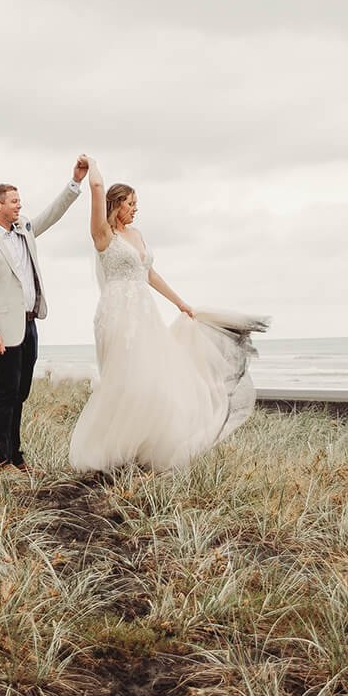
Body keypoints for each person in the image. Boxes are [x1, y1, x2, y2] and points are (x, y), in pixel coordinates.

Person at [68, 160, 267, 474]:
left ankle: (140, 446)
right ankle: (111, 450)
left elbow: (150, 274)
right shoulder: (103, 234)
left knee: (149, 378)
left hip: (145, 314)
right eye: (131, 203)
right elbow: (95, 187)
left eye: (136, 203)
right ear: (116, 204)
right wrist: (90, 164)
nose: (136, 209)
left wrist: (180, 303)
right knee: (124, 380)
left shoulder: (137, 234)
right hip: (117, 316)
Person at [0, 160, 91, 471]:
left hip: (29, 324)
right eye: (13, 201)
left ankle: (16, 456)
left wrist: (75, 182)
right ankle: (0, 459)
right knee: (6, 392)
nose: (19, 205)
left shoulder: (25, 229)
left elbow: (52, 213)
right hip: (3, 330)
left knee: (21, 392)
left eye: (19, 201)